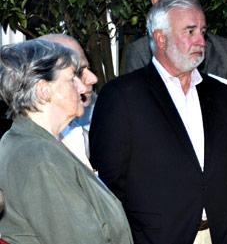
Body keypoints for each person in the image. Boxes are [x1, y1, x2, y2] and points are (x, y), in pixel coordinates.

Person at [90, 0, 227, 244]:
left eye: (203, 31)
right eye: (190, 31)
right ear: (160, 38)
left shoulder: (221, 96)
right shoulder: (122, 96)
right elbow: (108, 187)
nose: (201, 40)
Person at [0, 40, 132, 244]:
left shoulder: (29, 141)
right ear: (44, 90)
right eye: (72, 79)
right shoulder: (40, 157)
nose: (82, 87)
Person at [124, 0, 227, 134]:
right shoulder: (141, 53)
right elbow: (139, 116)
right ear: (157, 2)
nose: (191, 2)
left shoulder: (222, 50)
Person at [39, 34, 98, 168]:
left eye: (89, 69)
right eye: (77, 73)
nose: (93, 79)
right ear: (44, 86)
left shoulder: (76, 134)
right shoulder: (32, 151)